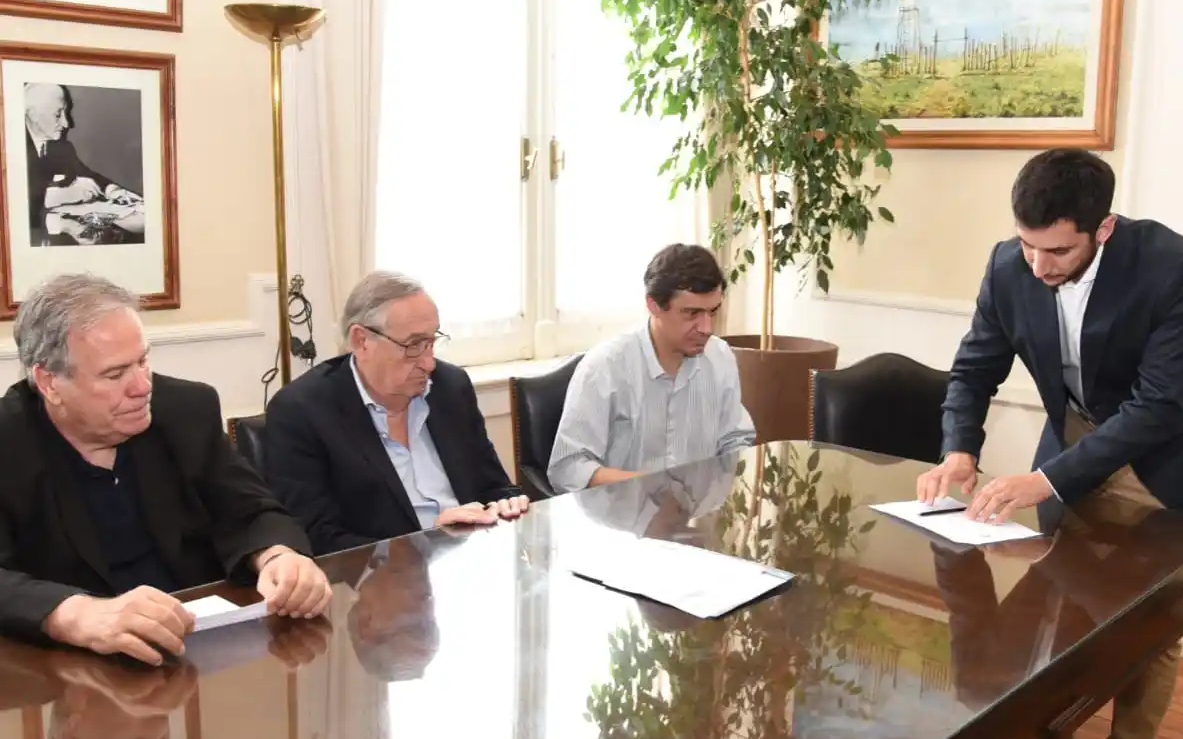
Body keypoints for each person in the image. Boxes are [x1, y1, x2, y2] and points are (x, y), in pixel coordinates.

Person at [916, 148, 1183, 739]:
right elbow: (974, 369)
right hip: (1082, 431)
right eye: (1027, 245)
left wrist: (1045, 480)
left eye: (1057, 251)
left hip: (1175, 450)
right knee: (1060, 593)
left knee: (1149, 618)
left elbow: (1158, 406)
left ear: (1102, 229)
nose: (1038, 265)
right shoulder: (1008, 263)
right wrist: (960, 451)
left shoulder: (1175, 267)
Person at [0, 274, 331, 667]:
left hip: (198, 649)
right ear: (49, 382)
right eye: (114, 374)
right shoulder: (9, 441)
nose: (142, 386)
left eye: (143, 361)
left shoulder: (185, 410)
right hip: (70, 671)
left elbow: (249, 511)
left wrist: (279, 557)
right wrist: (74, 613)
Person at [265, 271, 530, 555]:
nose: (428, 363)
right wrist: (427, 540)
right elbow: (319, 540)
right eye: (414, 346)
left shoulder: (450, 387)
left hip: (466, 566)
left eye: (431, 341)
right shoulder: (302, 411)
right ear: (361, 340)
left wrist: (507, 503)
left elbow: (495, 486)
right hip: (375, 590)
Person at [548, 243, 755, 493]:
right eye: (691, 314)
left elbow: (736, 440)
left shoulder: (720, 357)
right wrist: (649, 487)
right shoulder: (604, 369)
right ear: (654, 305)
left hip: (699, 519)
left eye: (713, 311)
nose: (706, 328)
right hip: (622, 522)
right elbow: (567, 468)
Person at [25, 84, 144, 243]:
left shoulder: (60, 146)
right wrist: (58, 197)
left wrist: (112, 190)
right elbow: (14, 212)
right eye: (58, 114)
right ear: (33, 115)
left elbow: (85, 173)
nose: (66, 123)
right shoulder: (9, 148)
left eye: (65, 113)